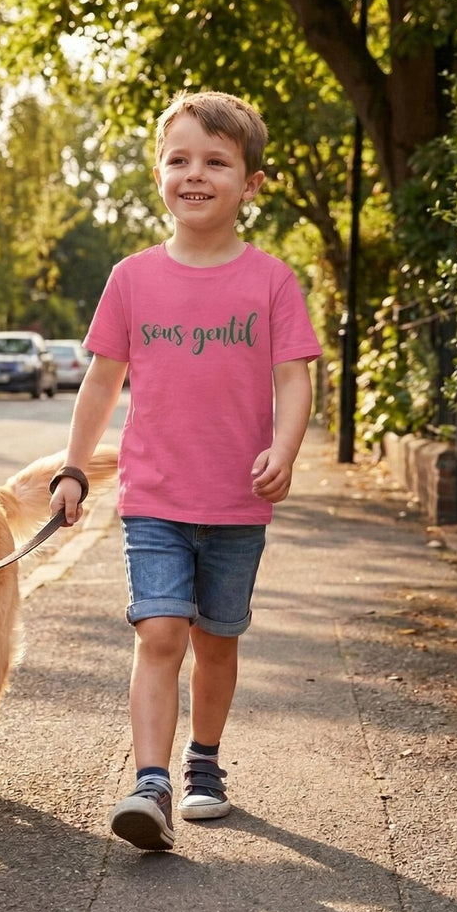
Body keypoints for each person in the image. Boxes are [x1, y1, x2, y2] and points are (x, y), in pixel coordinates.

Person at [48, 89, 322, 852]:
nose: (194, 174)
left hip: (237, 501)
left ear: (250, 184)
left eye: (216, 162)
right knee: (160, 632)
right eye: (179, 160)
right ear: (159, 175)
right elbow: (101, 382)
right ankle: (151, 784)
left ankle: (204, 762)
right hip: (155, 500)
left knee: (217, 643)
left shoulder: (271, 281)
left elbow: (295, 378)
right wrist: (73, 468)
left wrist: (285, 449)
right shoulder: (132, 278)